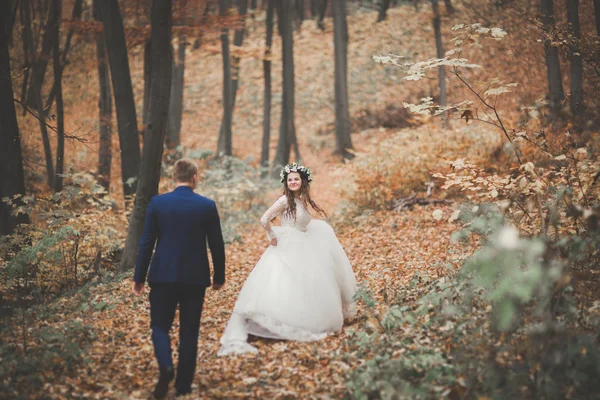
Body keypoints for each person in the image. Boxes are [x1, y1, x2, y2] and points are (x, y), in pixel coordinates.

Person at [218, 162, 357, 356]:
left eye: (296, 179)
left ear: (302, 181)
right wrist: (272, 237)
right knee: (284, 280)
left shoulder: (300, 200)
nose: (292, 182)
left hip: (303, 245)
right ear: (286, 182)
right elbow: (264, 219)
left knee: (303, 284)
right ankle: (275, 321)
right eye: (290, 179)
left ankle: (301, 318)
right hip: (288, 245)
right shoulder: (284, 199)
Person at [132, 159, 226, 398]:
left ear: (174, 177)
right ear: (195, 178)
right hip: (195, 278)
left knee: (159, 326)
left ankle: (165, 366)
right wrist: (219, 276)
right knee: (189, 331)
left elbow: (146, 242)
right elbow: (216, 244)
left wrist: (139, 276)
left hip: (163, 275)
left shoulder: (158, 203)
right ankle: (183, 385)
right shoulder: (206, 205)